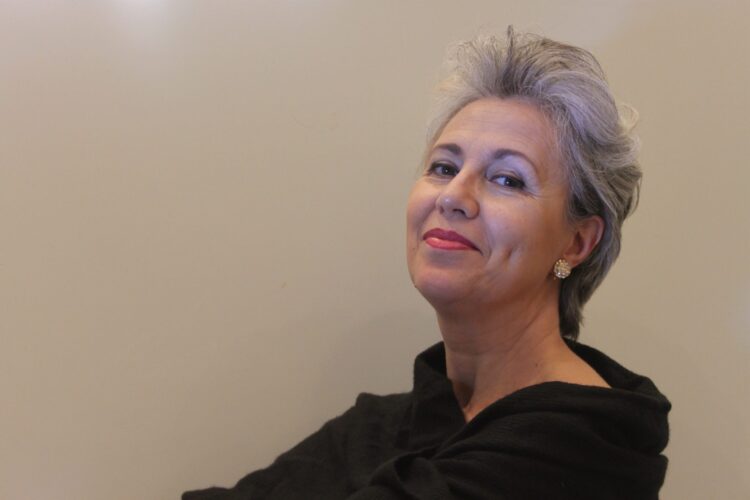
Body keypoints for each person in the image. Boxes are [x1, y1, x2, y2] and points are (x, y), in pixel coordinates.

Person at [183, 28, 670, 500]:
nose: (453, 195)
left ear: (577, 243)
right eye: (443, 167)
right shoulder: (382, 426)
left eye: (507, 179)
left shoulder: (579, 446)